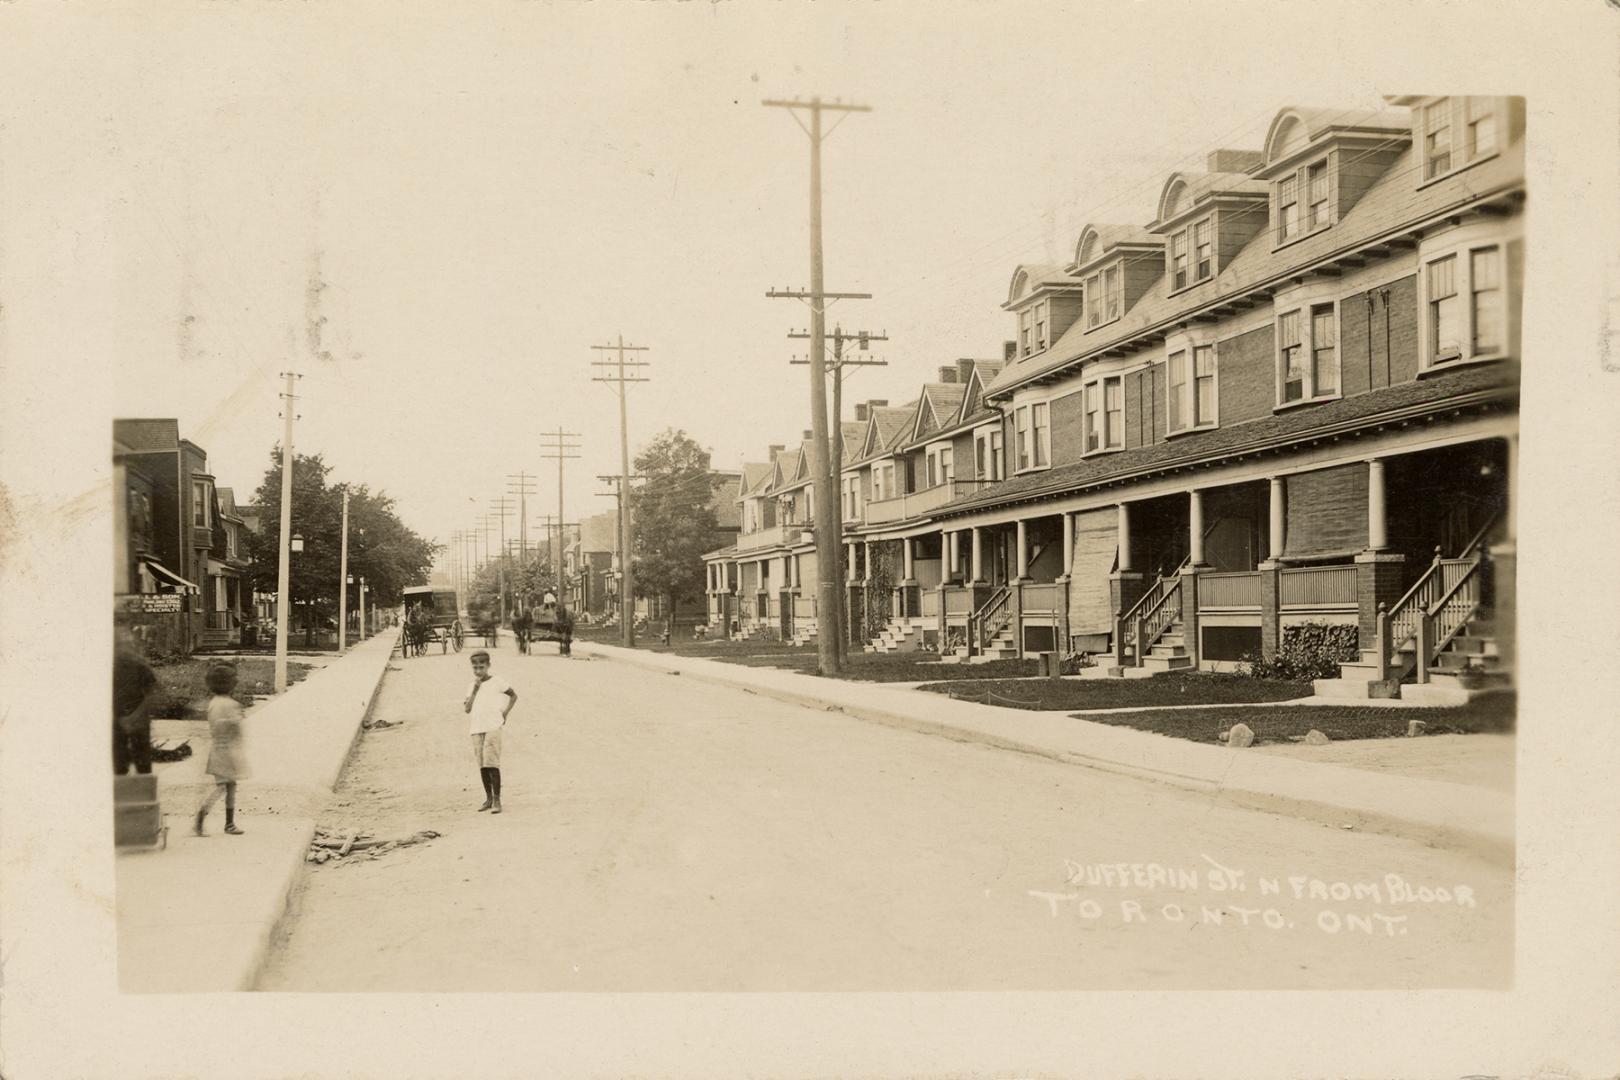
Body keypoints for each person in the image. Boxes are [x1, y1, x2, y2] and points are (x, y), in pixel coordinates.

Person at [194, 663, 249, 836]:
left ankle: (229, 823)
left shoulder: (214, 702)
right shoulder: (230, 704)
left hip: (219, 748)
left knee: (229, 786)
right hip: (227, 751)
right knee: (223, 787)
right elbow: (232, 727)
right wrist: (235, 722)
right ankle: (203, 813)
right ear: (229, 683)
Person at [463, 650, 517, 813]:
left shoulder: (497, 681)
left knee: (491, 763)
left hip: (493, 726)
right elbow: (467, 709)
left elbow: (513, 695)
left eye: (481, 667)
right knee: (482, 765)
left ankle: (497, 800)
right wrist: (475, 690)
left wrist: (505, 713)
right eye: (475, 668)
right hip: (476, 728)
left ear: (488, 666)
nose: (478, 671)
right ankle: (488, 797)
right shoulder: (471, 686)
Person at [113, 630, 157, 774]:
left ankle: (143, 794)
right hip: (116, 720)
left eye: (127, 645)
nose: (123, 649)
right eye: (119, 645)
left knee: (142, 760)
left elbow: (152, 693)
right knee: (118, 761)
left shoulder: (140, 666)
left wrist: (135, 717)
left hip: (139, 718)